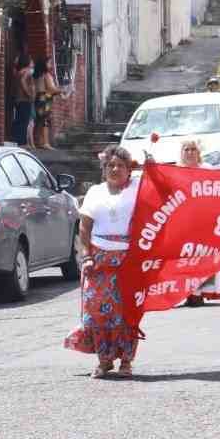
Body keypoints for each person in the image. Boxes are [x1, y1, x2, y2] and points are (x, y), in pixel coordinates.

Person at [65, 146, 141, 379]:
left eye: (120, 165)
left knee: (126, 312)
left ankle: (126, 361)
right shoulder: (95, 192)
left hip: (128, 260)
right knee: (97, 312)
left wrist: (145, 166)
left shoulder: (138, 189)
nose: (114, 169)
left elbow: (164, 184)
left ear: (129, 170)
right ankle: (104, 360)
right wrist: (87, 255)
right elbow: (84, 227)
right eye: (110, 165)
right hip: (97, 260)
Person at [178, 141, 220, 306]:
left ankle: (200, 293)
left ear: (198, 152)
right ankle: (187, 293)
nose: (190, 152)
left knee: (203, 256)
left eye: (193, 149)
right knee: (185, 258)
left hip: (204, 218)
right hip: (183, 220)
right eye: (186, 149)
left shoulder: (208, 169)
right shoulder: (176, 170)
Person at [30, 58, 62, 150]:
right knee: (45, 120)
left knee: (38, 121)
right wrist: (63, 89)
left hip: (37, 98)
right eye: (49, 63)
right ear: (44, 65)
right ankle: (45, 142)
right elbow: (51, 89)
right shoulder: (46, 75)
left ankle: (38, 141)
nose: (51, 65)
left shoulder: (35, 75)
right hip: (45, 98)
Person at [11, 55, 34, 147]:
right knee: (24, 121)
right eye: (31, 61)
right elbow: (23, 81)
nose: (32, 62)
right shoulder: (27, 71)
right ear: (27, 62)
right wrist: (29, 93)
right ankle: (22, 142)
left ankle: (18, 141)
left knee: (19, 120)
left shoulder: (18, 72)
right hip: (24, 99)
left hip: (18, 99)